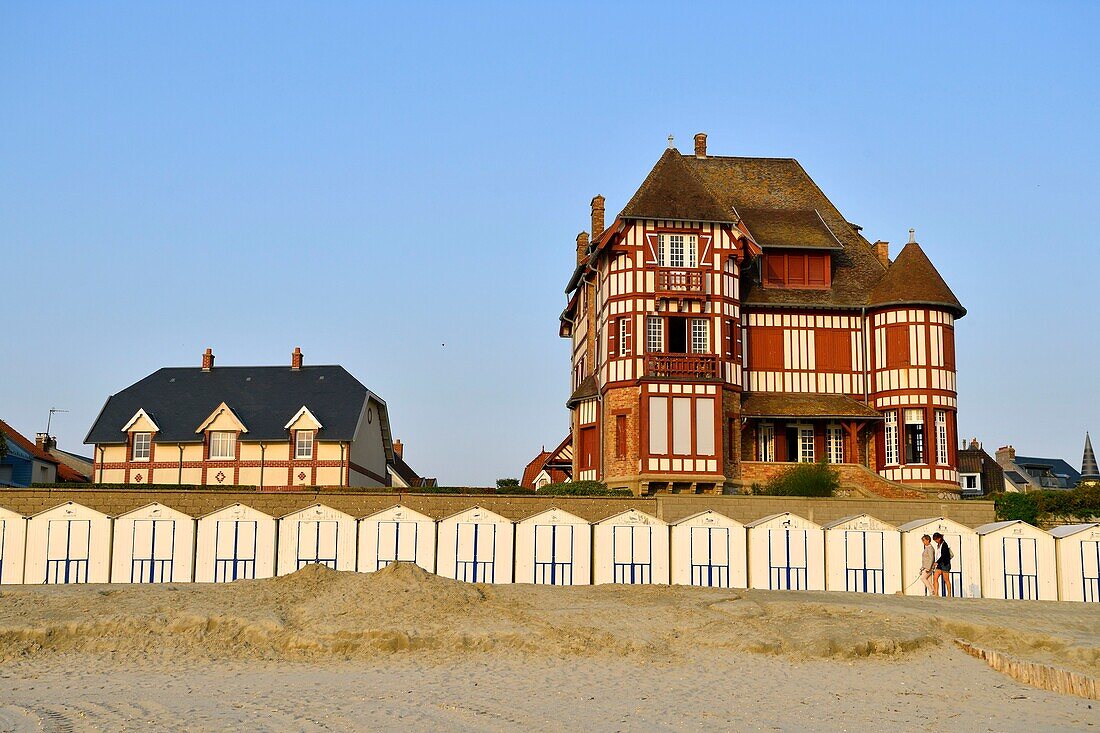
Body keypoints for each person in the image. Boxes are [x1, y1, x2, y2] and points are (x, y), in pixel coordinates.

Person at [932, 532, 953, 597]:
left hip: (945, 564)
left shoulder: (944, 545)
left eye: (936, 539)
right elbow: (938, 555)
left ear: (939, 538)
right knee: (935, 578)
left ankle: (949, 594)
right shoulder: (938, 545)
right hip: (939, 564)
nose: (935, 541)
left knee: (946, 579)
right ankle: (936, 593)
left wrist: (937, 562)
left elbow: (943, 555)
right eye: (935, 540)